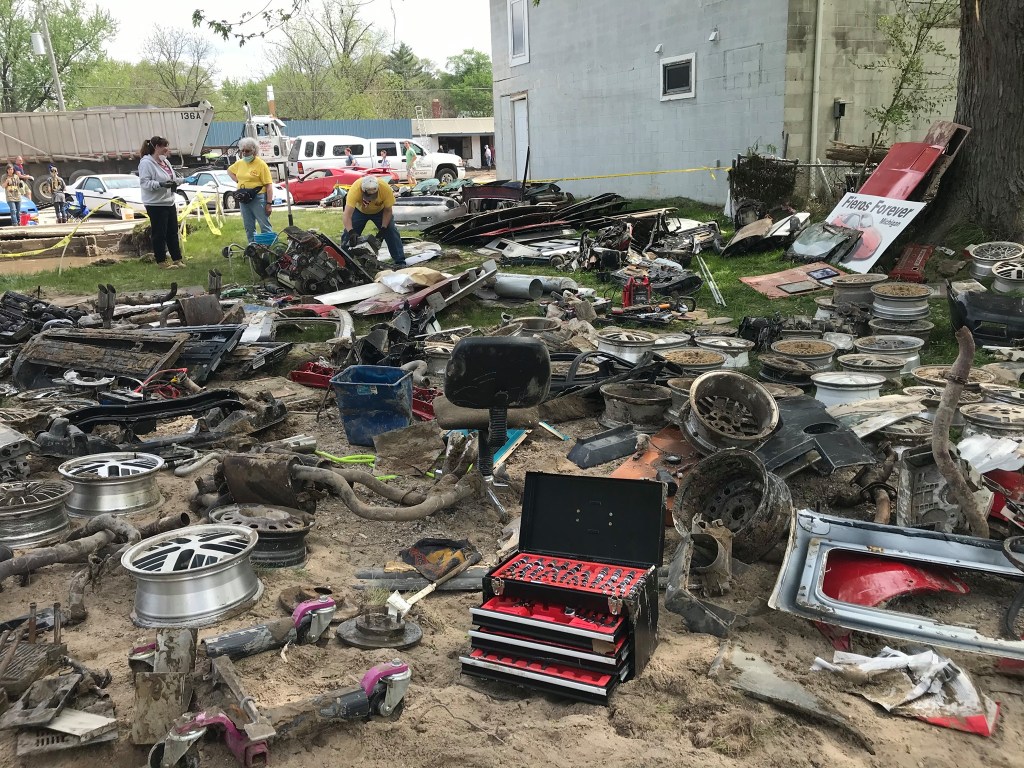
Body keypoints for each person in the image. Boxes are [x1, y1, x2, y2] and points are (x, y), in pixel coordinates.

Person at [138, 135, 185, 268]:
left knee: (172, 231)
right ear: (156, 147)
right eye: (164, 146)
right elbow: (145, 183)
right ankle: (161, 261)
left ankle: (177, 258)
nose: (167, 149)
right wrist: (160, 184)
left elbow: (172, 178)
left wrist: (182, 181)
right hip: (155, 204)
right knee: (160, 233)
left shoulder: (165, 162)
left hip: (169, 201)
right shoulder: (146, 163)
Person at [343, 175, 405, 266]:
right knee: (348, 236)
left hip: (380, 211)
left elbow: (388, 211)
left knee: (391, 231)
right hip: (359, 210)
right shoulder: (355, 189)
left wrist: (383, 228)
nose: (371, 198)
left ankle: (400, 262)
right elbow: (347, 215)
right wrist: (351, 232)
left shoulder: (385, 189)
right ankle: (345, 262)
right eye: (368, 195)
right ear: (362, 190)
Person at [228, 137, 274, 243]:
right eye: (242, 150)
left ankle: (268, 250)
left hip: (258, 198)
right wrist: (238, 181)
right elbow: (229, 171)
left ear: (254, 151)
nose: (244, 153)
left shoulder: (261, 164)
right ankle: (253, 249)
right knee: (248, 226)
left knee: (264, 225)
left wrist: (269, 204)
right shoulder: (239, 163)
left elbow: (269, 186)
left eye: (247, 151)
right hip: (243, 198)